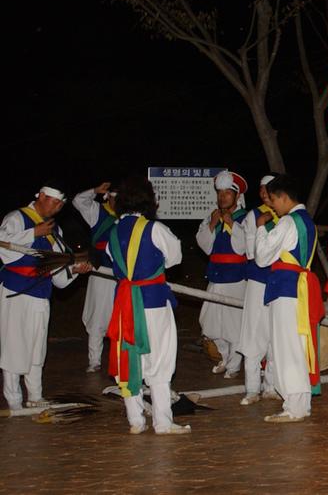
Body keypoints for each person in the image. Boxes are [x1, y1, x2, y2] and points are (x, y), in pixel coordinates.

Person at [105, 176, 190, 434]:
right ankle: (163, 422)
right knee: (160, 360)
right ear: (149, 201)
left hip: (125, 304)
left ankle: (136, 421)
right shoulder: (154, 229)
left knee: (129, 359)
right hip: (152, 301)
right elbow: (175, 258)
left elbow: (113, 262)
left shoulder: (113, 231)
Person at [0, 185, 90, 409]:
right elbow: (3, 246)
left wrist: (73, 271)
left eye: (61, 204)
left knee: (36, 346)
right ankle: (13, 399)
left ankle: (35, 396)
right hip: (15, 291)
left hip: (41, 294)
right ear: (41, 196)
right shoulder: (17, 218)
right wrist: (32, 233)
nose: (58, 207)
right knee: (14, 345)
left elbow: (56, 268)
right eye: (54, 201)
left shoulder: (54, 230)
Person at [255, 174, 325, 422]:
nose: (272, 205)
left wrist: (261, 228)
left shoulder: (287, 223)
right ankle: (300, 404)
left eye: (273, 199)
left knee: (286, 347)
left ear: (284, 197)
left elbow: (262, 257)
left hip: (286, 289)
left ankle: (294, 407)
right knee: (297, 344)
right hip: (299, 289)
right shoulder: (308, 222)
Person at [196, 170, 249, 379]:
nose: (222, 197)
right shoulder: (212, 216)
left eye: (227, 193)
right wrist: (212, 224)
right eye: (220, 193)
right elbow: (205, 246)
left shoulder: (245, 218)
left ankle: (234, 365)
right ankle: (225, 358)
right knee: (209, 323)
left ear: (237, 196)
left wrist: (230, 224)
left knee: (233, 325)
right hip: (216, 277)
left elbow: (243, 247)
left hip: (236, 279)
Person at [238, 174, 279, 404]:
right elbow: (253, 253)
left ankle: (271, 385)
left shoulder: (286, 217)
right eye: (262, 189)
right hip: (257, 281)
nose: (264, 192)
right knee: (254, 331)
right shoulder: (253, 216)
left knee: (275, 332)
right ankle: (252, 388)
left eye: (269, 189)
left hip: (278, 281)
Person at [72, 181, 119, 372]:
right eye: (116, 196)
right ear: (108, 196)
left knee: (120, 316)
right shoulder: (97, 212)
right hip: (100, 272)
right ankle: (94, 360)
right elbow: (78, 201)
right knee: (98, 317)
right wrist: (94, 191)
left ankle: (118, 360)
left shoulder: (129, 217)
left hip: (121, 274)